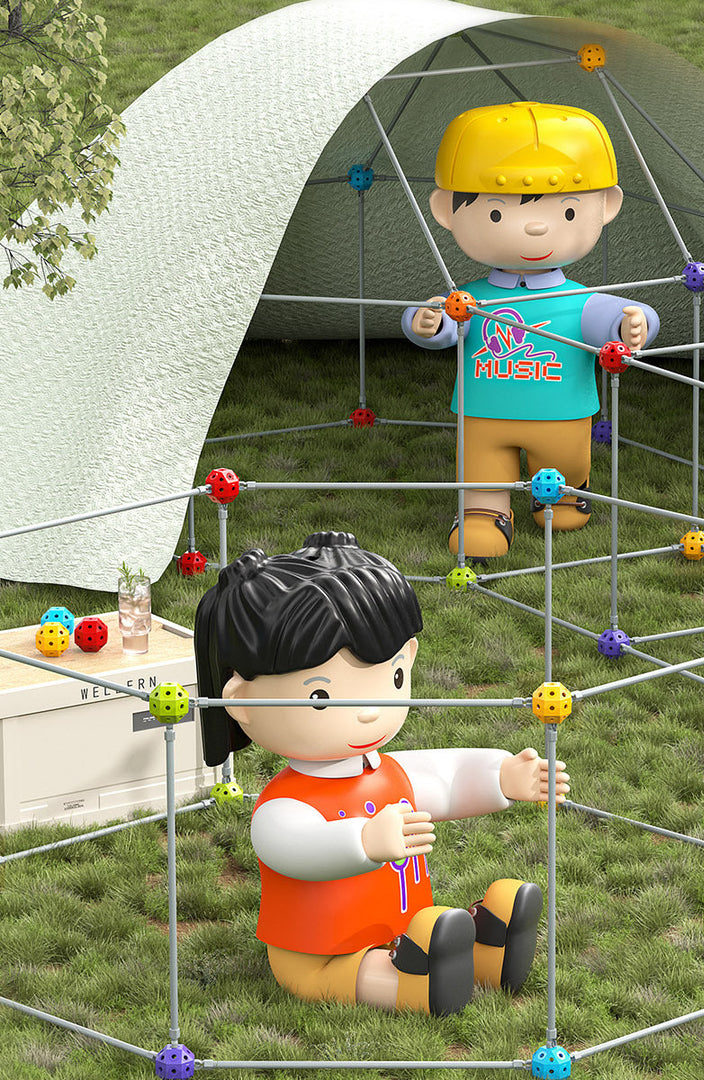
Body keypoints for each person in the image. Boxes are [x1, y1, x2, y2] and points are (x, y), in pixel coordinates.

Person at [194, 531, 569, 1015]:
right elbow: (292, 848)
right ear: (243, 705)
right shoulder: (283, 805)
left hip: (404, 926)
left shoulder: (390, 772)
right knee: (354, 972)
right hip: (317, 952)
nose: (369, 711)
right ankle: (414, 979)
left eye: (390, 677)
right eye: (322, 696)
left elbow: (449, 779)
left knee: (422, 940)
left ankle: (486, 947)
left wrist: (502, 778)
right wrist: (364, 841)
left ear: (407, 658)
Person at [403, 101, 660, 558]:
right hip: (483, 413)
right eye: (498, 214)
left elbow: (608, 317)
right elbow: (443, 324)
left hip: (561, 416)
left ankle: (565, 492)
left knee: (563, 465)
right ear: (446, 210)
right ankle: (484, 514)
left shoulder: (576, 298)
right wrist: (426, 321)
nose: (537, 228)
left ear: (607, 206)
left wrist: (633, 322)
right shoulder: (470, 298)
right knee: (481, 472)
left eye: (566, 213)